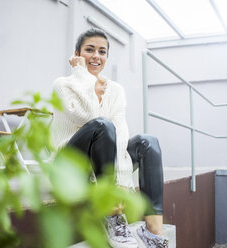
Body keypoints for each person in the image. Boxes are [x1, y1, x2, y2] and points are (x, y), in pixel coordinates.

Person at [51, 28, 168, 248]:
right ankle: (112, 215)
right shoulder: (62, 85)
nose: (96, 55)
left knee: (147, 141)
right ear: (77, 54)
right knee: (101, 125)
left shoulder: (116, 90)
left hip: (103, 163)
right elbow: (88, 118)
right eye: (89, 50)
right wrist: (84, 79)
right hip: (69, 167)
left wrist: (122, 180)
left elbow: (120, 133)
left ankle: (153, 232)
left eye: (102, 51)